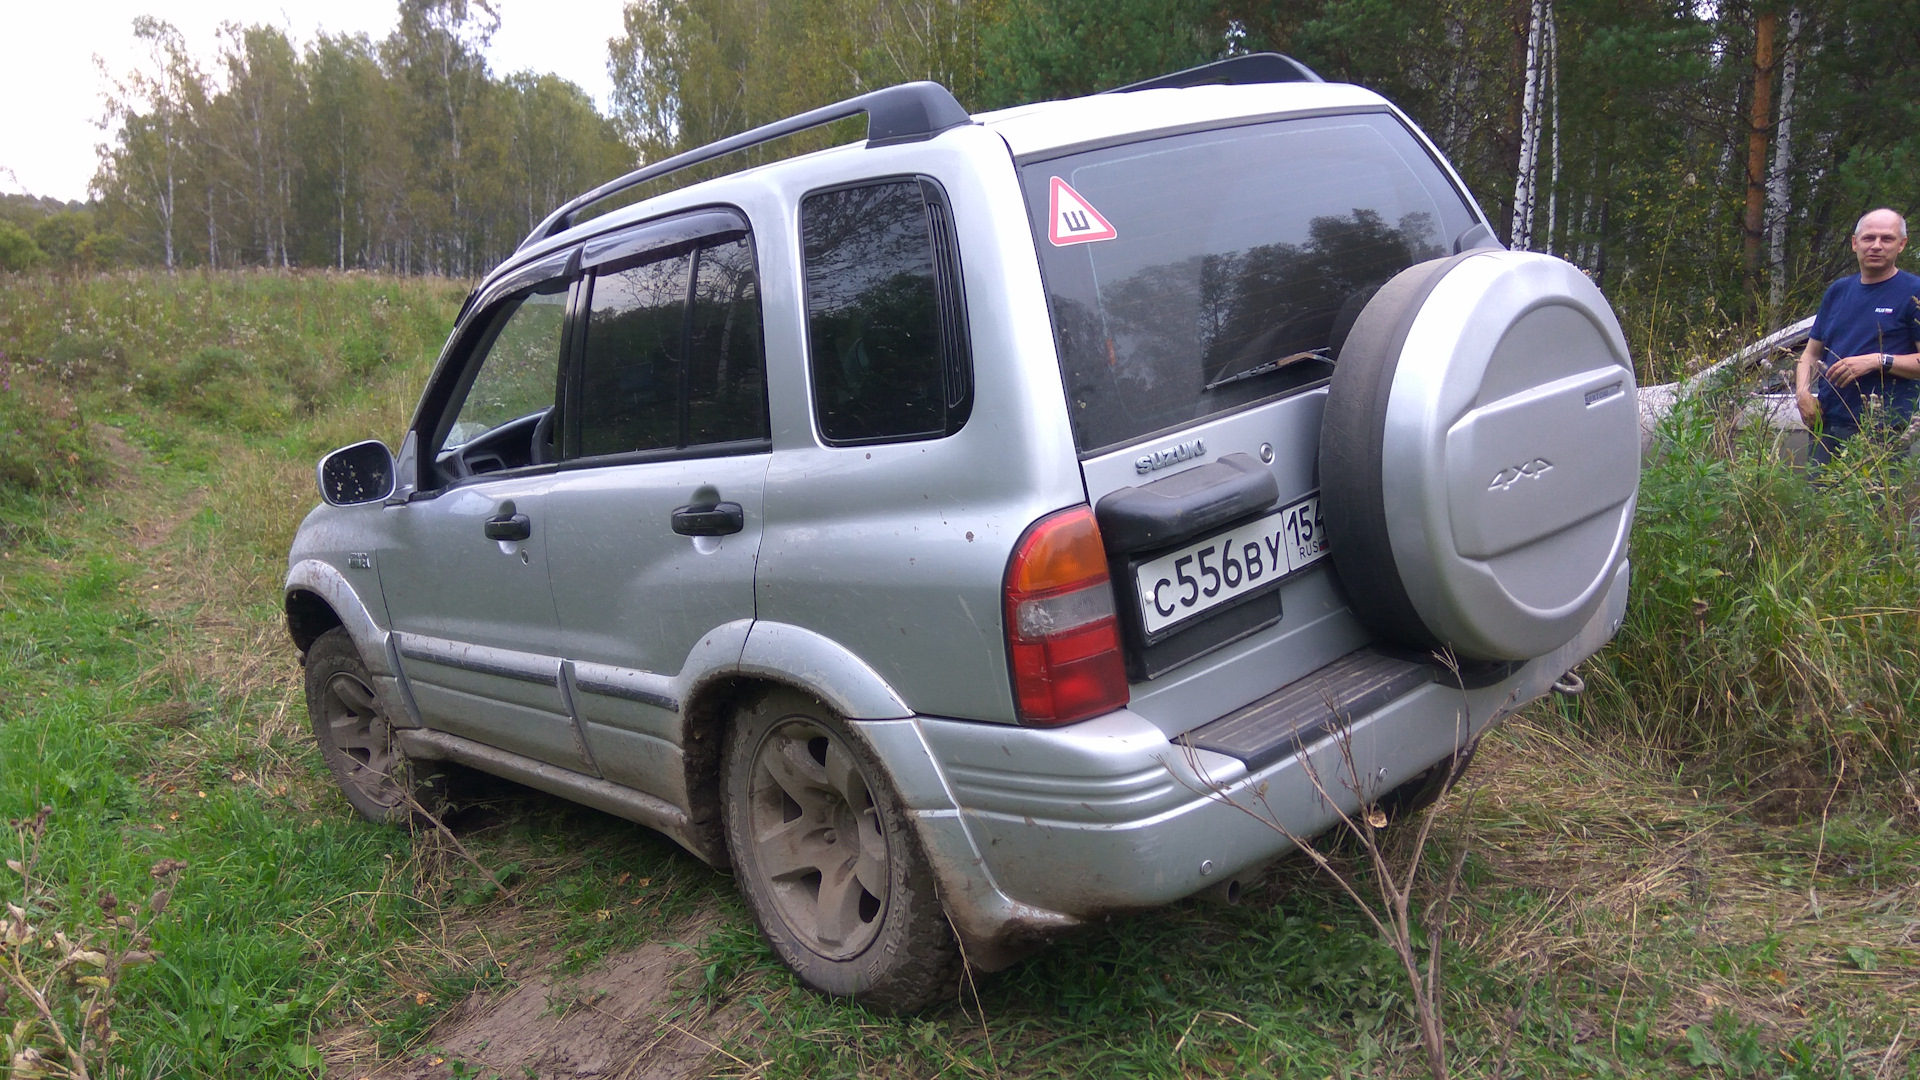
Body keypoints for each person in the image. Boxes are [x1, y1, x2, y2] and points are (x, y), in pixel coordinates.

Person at [1795, 208, 1920, 465]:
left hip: (1883, 431)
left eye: (1887, 239)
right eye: (1868, 238)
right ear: (1854, 243)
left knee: (1872, 506)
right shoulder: (1838, 291)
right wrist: (1803, 394)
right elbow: (1811, 353)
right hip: (1826, 424)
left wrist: (1877, 360)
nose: (1876, 246)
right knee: (1818, 504)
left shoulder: (1914, 292)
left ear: (1902, 245)